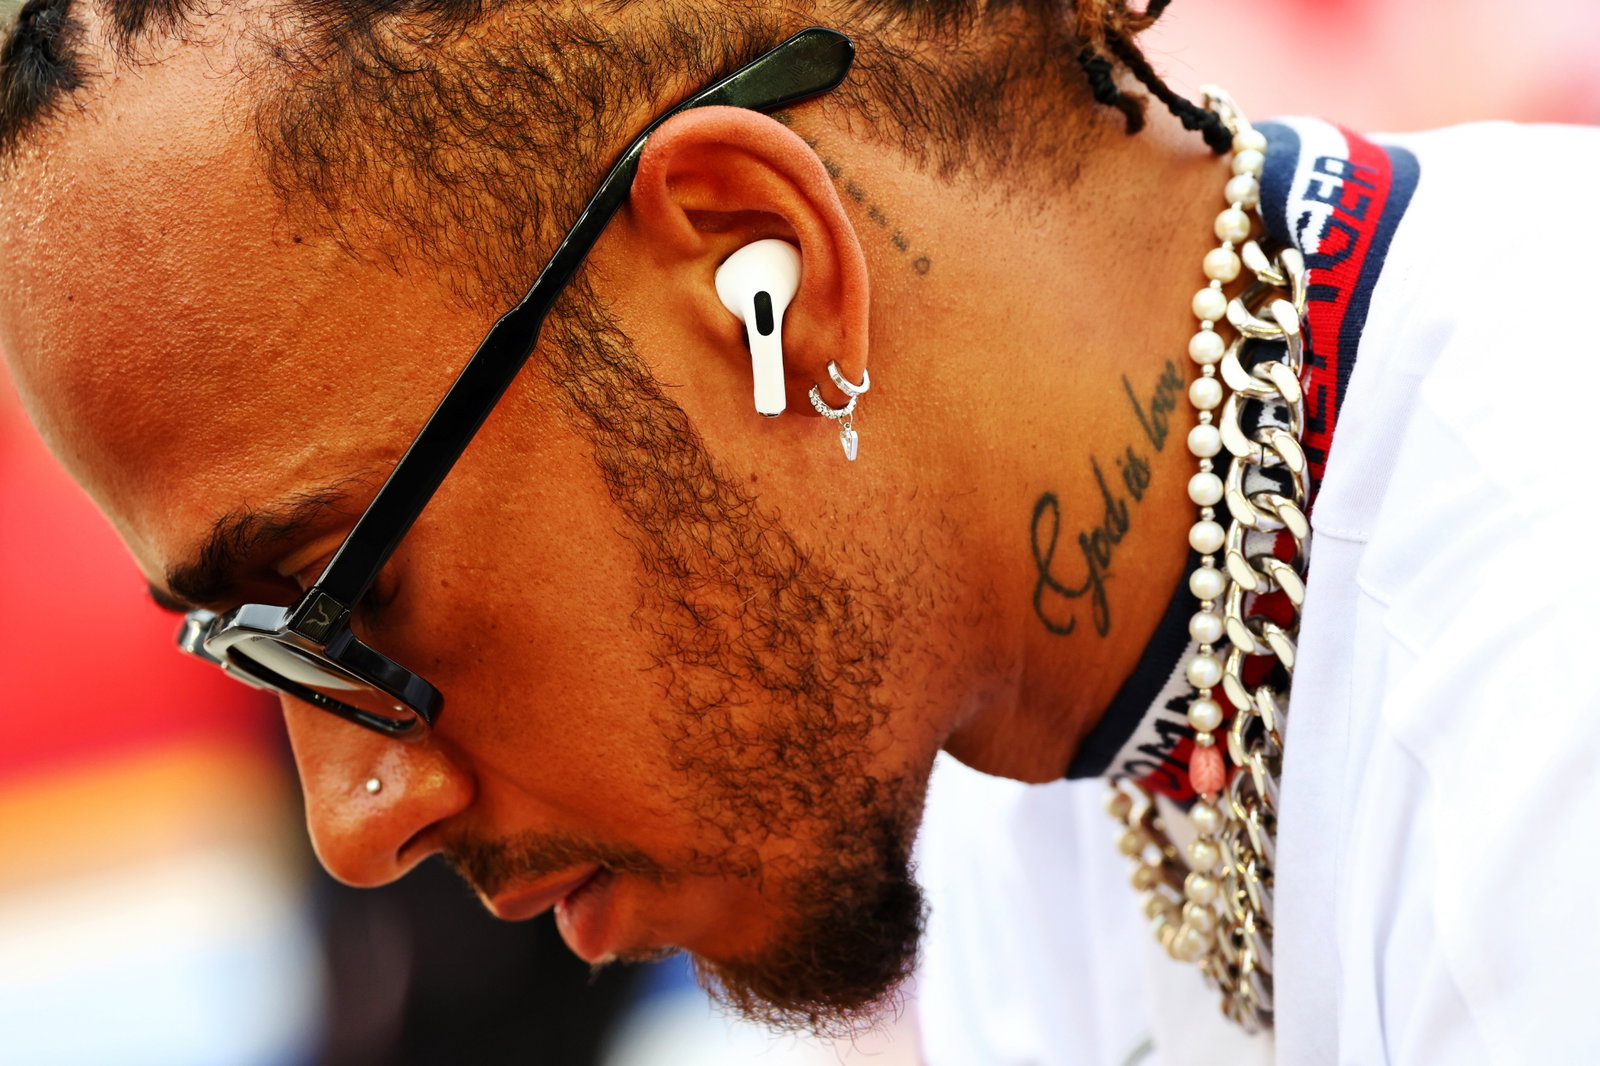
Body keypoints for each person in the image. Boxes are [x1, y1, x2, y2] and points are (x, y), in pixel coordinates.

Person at [1, 0, 1596, 1062]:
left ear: (756, 274)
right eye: (250, 652)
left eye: (339, 599)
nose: (356, 824)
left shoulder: (1549, 654)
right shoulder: (998, 735)